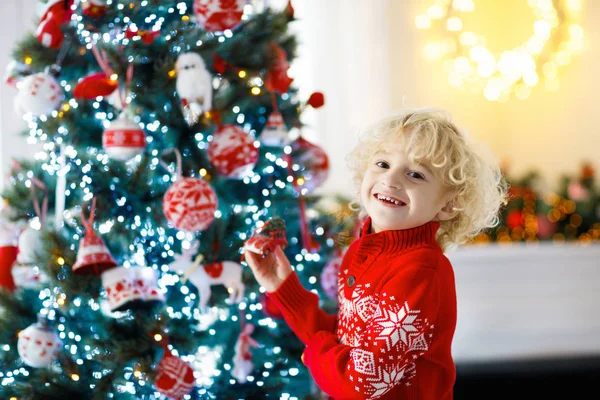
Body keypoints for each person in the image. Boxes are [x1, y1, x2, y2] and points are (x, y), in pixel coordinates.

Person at [244, 107, 508, 399]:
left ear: (448, 206)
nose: (391, 180)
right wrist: (283, 287)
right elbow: (347, 339)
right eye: (383, 163)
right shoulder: (360, 251)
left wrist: (317, 353)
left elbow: (363, 382)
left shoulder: (420, 270)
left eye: (416, 174)